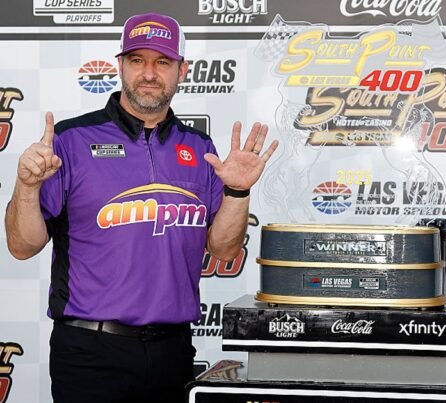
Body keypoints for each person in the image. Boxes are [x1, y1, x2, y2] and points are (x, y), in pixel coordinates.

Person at [4, 13, 277, 403]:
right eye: (137, 60)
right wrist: (27, 186)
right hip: (89, 353)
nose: (149, 73)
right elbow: (21, 246)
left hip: (173, 351)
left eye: (162, 62)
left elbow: (224, 249)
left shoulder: (200, 149)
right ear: (120, 66)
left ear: (181, 71)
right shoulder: (71, 140)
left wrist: (236, 191)